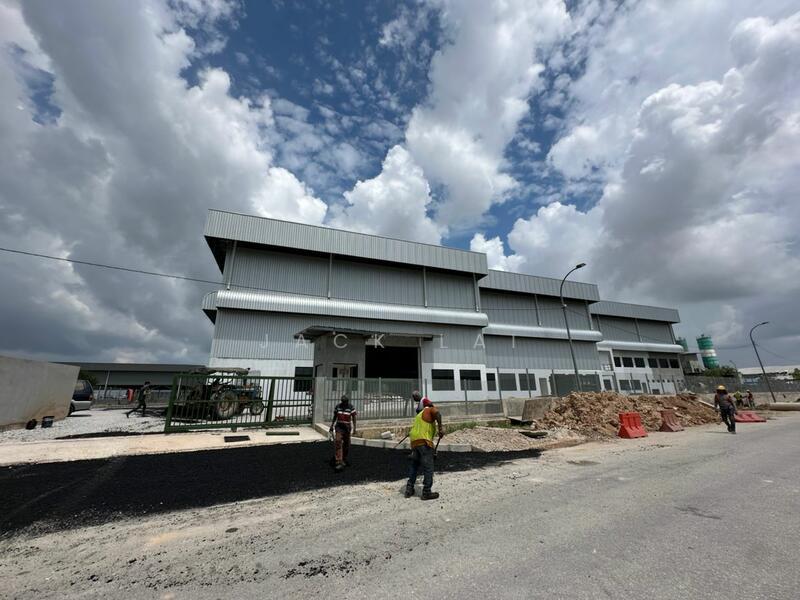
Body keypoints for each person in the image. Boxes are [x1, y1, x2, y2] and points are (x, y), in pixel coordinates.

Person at [405, 397, 444, 500]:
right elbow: (438, 413)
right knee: (428, 467)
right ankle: (426, 492)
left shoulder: (418, 415)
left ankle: (409, 488)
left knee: (415, 465)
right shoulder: (429, 409)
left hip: (414, 442)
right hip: (424, 442)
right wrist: (440, 429)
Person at [329, 394, 357, 472]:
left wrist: (355, 428)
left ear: (347, 401)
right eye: (343, 402)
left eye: (345, 402)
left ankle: (344, 458)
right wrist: (331, 425)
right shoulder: (338, 407)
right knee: (338, 441)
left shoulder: (351, 407)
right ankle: (339, 461)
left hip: (347, 428)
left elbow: (354, 418)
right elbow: (335, 417)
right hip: (339, 427)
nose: (344, 403)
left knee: (346, 444)